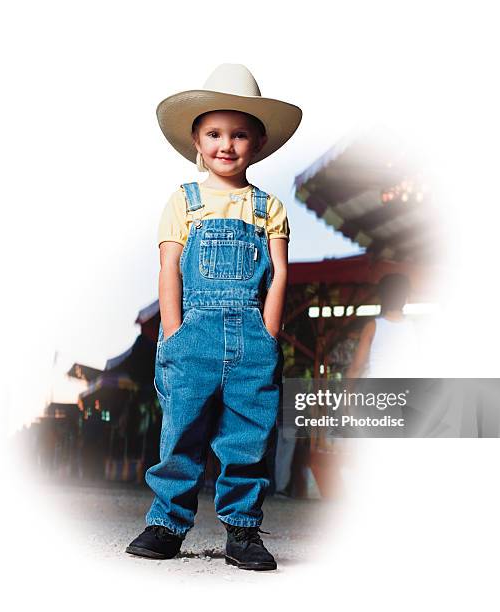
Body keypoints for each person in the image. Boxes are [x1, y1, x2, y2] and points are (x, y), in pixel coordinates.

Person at [125, 64, 302, 571]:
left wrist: (268, 333)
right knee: (181, 432)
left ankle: (243, 531)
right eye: (215, 133)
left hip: (252, 334)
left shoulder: (269, 208)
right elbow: (169, 266)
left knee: (247, 435)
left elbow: (280, 273)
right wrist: (174, 331)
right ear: (198, 143)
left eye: (240, 133)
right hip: (192, 334)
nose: (227, 144)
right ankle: (167, 523)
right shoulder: (184, 201)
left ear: (258, 142)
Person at [346, 273, 420, 379]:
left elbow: (356, 367)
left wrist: (347, 392)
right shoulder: (415, 328)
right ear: (407, 297)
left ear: (381, 297)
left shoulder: (372, 327)